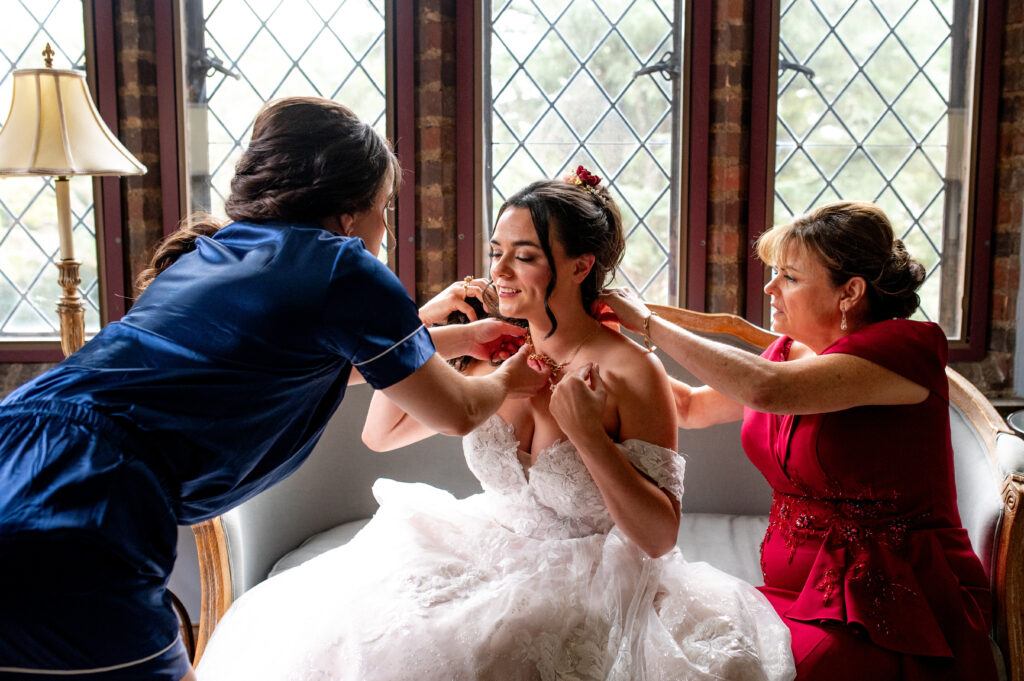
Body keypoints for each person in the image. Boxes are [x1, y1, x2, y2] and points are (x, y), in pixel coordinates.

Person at [0, 96, 548, 681]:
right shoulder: (343, 266)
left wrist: (455, 342)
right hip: (89, 492)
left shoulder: (217, 251)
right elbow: (460, 411)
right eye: (384, 208)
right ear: (348, 214)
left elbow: (307, 361)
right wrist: (515, 372)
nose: (385, 228)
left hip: (20, 441)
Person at [193, 170, 796, 681]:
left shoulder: (629, 370)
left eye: (525, 256)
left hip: (592, 574)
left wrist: (588, 438)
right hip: (484, 545)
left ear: (580, 265)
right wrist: (423, 326)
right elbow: (384, 434)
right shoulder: (490, 348)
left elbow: (659, 536)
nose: (500, 271)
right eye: (496, 252)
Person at [593, 201, 997, 680]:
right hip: (796, 591)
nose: (770, 288)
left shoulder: (903, 349)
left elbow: (765, 388)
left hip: (890, 601)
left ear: (850, 292)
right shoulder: (788, 352)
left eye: (789, 277)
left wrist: (648, 322)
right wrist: (604, 341)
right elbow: (689, 407)